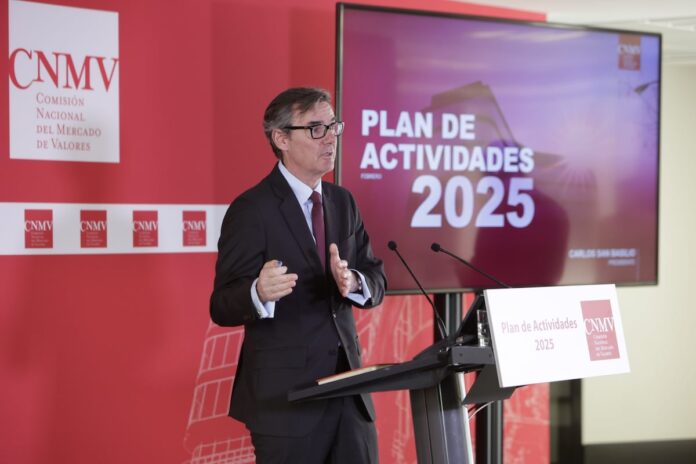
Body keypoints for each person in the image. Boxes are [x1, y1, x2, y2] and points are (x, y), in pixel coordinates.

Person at [210, 87, 386, 463]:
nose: (330, 138)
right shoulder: (252, 209)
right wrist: (258, 292)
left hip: (350, 397)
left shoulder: (343, 202)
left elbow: (375, 276)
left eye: (333, 126)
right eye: (316, 129)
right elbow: (222, 304)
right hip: (286, 404)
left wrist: (353, 281)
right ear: (282, 138)